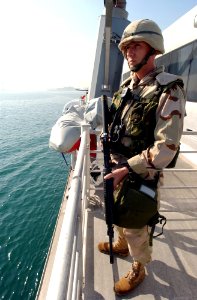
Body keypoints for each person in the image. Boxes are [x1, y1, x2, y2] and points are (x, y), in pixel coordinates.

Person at [98, 19, 186, 296]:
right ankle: (121, 243)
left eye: (136, 46)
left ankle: (139, 265)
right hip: (117, 165)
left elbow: (167, 147)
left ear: (153, 49)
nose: (129, 52)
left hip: (142, 171)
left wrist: (129, 167)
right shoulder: (128, 86)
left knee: (136, 221)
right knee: (117, 211)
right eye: (126, 47)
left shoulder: (168, 89)